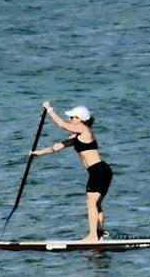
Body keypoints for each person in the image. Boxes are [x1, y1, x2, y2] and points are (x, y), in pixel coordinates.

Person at [32, 102, 111, 242]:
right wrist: (38, 153)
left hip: (98, 171)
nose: (70, 120)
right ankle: (99, 234)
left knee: (91, 203)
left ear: (80, 118)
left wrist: (49, 110)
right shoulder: (76, 136)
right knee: (96, 203)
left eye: (72, 117)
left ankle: (92, 236)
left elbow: (62, 125)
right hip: (101, 171)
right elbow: (57, 147)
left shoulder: (84, 129)